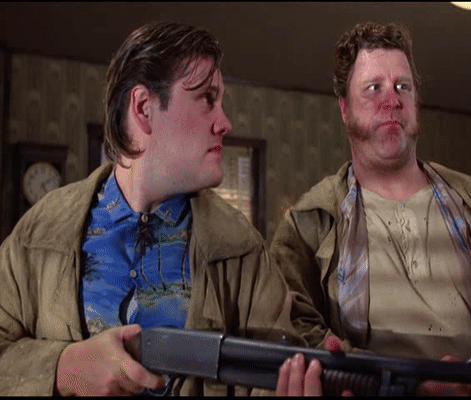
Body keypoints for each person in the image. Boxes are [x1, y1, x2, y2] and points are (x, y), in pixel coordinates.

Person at [0, 21, 327, 396]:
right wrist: (64, 369)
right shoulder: (38, 235)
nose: (225, 123)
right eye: (207, 99)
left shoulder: (243, 250)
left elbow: (273, 376)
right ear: (143, 108)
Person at [271, 21, 471, 396]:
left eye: (403, 87)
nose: (393, 100)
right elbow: (289, 328)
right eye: (373, 88)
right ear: (345, 109)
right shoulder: (309, 225)